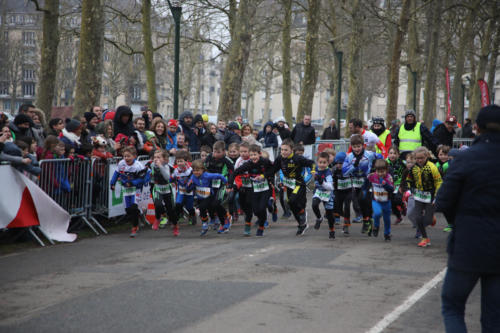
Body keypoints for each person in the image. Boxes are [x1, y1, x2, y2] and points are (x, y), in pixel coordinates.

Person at [436, 104, 500, 332]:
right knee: (494, 318)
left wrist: (457, 222)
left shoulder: (465, 159)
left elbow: (443, 200)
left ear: (476, 128)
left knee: (453, 307)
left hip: (468, 244)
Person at [271, 138, 315, 235]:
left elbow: (311, 163)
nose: (283, 152)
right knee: (291, 205)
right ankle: (301, 225)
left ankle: (302, 213)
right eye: (281, 150)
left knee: (293, 201)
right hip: (289, 185)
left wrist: (313, 170)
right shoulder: (279, 158)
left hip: (299, 184)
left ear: (291, 150)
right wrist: (265, 177)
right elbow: (272, 170)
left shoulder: (297, 158)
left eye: (285, 150)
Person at [229, 144, 274, 236]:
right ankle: (260, 219)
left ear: (259, 154)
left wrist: (265, 176)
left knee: (261, 208)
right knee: (256, 210)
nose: (253, 157)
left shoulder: (265, 161)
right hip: (253, 189)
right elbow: (235, 172)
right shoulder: (248, 164)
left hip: (265, 189)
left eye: (255, 155)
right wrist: (230, 184)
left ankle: (261, 226)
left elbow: (272, 170)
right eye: (251, 155)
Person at [110, 146, 150, 237]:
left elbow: (144, 178)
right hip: (126, 190)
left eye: (128, 156)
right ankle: (139, 216)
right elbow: (117, 173)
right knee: (128, 210)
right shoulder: (121, 163)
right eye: (125, 156)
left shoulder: (138, 165)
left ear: (134, 156)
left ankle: (134, 227)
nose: (126, 158)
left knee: (133, 207)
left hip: (136, 189)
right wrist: (112, 183)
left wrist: (133, 183)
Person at [342, 134, 378, 236]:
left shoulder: (369, 154)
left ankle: (366, 221)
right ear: (351, 147)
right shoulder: (349, 157)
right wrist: (354, 165)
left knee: (364, 200)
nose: (357, 149)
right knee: (357, 203)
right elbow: (344, 172)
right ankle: (367, 220)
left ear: (363, 145)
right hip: (355, 183)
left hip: (366, 182)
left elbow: (381, 158)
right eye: (354, 147)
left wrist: (376, 169)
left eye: (359, 146)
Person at [407, 146, 442, 247]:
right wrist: (411, 190)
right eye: (417, 158)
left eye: (421, 158)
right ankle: (425, 238)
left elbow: (439, 181)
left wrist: (437, 194)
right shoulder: (414, 168)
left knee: (427, 220)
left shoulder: (432, 167)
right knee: (417, 217)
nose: (419, 160)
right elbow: (409, 180)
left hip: (430, 195)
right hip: (418, 195)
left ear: (426, 156)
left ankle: (431, 219)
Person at [188, 159, 229, 236]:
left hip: (210, 196)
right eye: (194, 170)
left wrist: (227, 183)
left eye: (198, 170)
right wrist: (190, 186)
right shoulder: (193, 177)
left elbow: (219, 176)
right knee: (202, 209)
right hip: (200, 197)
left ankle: (223, 218)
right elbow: (188, 186)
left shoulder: (207, 175)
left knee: (209, 206)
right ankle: (205, 223)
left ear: (203, 170)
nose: (196, 172)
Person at [150, 149, 179, 235]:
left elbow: (167, 177)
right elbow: (151, 174)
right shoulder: (152, 165)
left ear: (165, 159)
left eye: (158, 157)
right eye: (155, 157)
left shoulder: (167, 166)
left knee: (171, 210)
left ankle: (175, 225)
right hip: (157, 188)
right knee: (158, 204)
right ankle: (158, 218)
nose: (156, 159)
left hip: (167, 189)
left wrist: (160, 166)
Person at [365, 159, 394, 241]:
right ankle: (376, 226)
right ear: (375, 170)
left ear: (386, 170)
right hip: (376, 200)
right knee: (377, 213)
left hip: (386, 202)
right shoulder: (372, 176)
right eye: (378, 171)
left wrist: (385, 184)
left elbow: (391, 189)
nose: (380, 174)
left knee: (386, 219)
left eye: (383, 171)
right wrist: (365, 190)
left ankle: (387, 234)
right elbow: (366, 181)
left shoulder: (389, 178)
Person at [311, 152, 335, 239]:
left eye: (324, 163)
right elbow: (310, 165)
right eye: (320, 162)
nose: (322, 164)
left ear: (328, 163)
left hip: (328, 193)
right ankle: (319, 218)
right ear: (317, 162)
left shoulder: (328, 172)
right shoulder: (316, 168)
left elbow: (330, 187)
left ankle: (331, 229)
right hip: (319, 191)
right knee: (314, 204)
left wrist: (322, 181)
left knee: (329, 214)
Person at [172, 150, 196, 227]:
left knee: (189, 206)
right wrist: (172, 180)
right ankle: (175, 220)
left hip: (189, 191)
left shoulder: (190, 169)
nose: (179, 163)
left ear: (186, 161)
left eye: (181, 161)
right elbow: (171, 178)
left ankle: (192, 215)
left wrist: (190, 183)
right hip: (181, 190)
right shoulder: (175, 169)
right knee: (178, 203)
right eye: (178, 161)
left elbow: (194, 178)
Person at [332, 152, 352, 235]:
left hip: (348, 191)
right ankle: (346, 217)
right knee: (338, 209)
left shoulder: (350, 169)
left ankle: (346, 224)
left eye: (341, 163)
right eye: (337, 163)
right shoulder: (335, 170)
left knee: (347, 206)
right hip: (338, 191)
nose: (339, 165)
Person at [386, 146, 406, 224]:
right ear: (388, 154)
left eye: (395, 153)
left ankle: (403, 205)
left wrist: (404, 183)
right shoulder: (385, 162)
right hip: (390, 185)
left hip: (399, 184)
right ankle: (398, 217)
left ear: (398, 155)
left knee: (397, 199)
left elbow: (408, 170)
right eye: (391, 153)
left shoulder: (402, 163)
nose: (392, 155)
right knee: (391, 203)